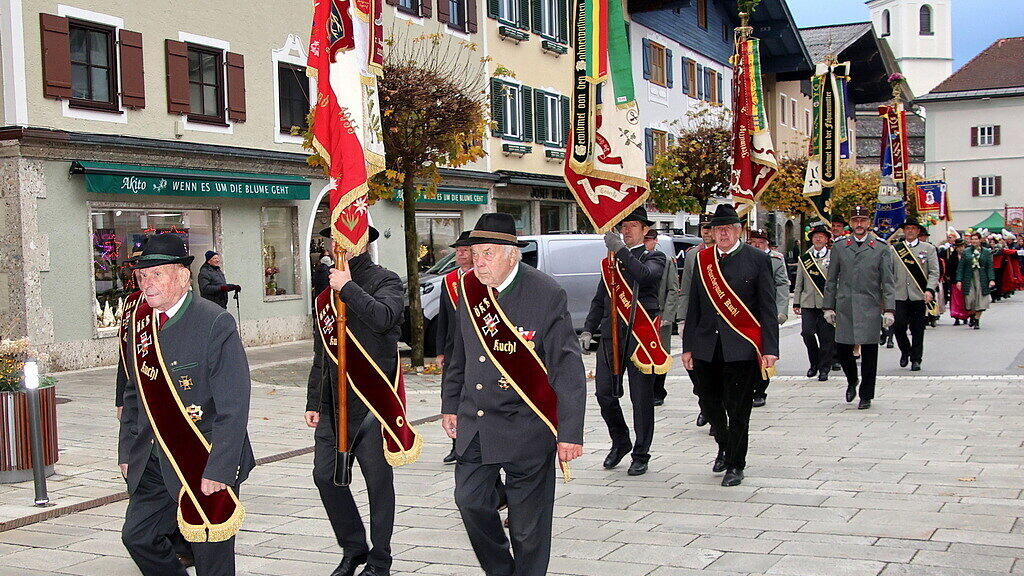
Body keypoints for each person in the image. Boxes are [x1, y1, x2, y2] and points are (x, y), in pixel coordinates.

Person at [441, 213, 585, 576]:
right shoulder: (469, 289)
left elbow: (566, 367)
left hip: (527, 425)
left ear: (512, 254)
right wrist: (449, 406)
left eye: (488, 253)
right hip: (477, 420)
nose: (478, 261)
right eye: (475, 253)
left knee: (527, 528)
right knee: (470, 502)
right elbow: (458, 354)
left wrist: (570, 431)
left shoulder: (546, 293)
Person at [119, 234, 254, 576]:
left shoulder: (214, 322)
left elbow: (233, 404)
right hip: (152, 456)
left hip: (204, 455)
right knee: (138, 537)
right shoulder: (140, 324)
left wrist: (220, 468)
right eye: (141, 276)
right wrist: (125, 450)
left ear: (182, 276)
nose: (147, 284)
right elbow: (134, 395)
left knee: (211, 558)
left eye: (156, 274)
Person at [306, 225, 416, 576]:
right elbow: (322, 353)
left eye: (343, 238)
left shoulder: (386, 279)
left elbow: (384, 319)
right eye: (331, 239)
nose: (335, 245)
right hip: (335, 405)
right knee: (325, 477)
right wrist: (314, 400)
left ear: (362, 242)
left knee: (377, 484)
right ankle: (354, 547)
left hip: (373, 403)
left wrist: (347, 288)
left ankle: (381, 559)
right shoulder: (325, 293)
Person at [681, 204, 778, 487]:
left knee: (738, 408)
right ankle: (724, 444)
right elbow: (694, 305)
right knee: (709, 404)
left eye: (727, 228)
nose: (722, 234)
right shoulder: (702, 260)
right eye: (717, 229)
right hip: (707, 345)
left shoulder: (758, 259)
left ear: (739, 231)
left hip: (742, 347)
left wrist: (770, 349)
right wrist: (688, 346)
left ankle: (736, 463)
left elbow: (767, 308)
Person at [580, 207, 668, 476]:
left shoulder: (655, 257)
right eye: (624, 226)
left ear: (644, 230)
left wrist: (620, 250)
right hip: (610, 335)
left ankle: (641, 453)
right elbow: (600, 300)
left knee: (641, 399)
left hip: (640, 337)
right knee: (604, 394)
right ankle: (620, 441)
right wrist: (587, 330)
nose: (627, 230)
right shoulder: (611, 263)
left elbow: (644, 275)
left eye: (633, 226)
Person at [822, 206, 896, 410]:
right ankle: (852, 379)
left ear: (869, 222)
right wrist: (828, 307)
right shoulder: (840, 246)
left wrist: (889, 309)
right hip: (845, 305)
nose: (859, 224)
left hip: (870, 305)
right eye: (855, 221)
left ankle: (866, 395)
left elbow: (888, 282)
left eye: (863, 220)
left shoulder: (880, 247)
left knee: (870, 352)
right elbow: (831, 280)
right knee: (844, 349)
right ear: (850, 223)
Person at [438, 231, 474, 464]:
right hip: (453, 349)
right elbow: (443, 318)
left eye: (465, 250)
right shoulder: (449, 280)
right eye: (458, 251)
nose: (460, 254)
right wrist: (440, 350)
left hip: (475, 347)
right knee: (451, 396)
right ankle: (455, 444)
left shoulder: (483, 277)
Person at [747, 228, 789, 407]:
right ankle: (748, 386)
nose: (757, 246)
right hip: (746, 311)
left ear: (767, 245)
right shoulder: (743, 257)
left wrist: (781, 311)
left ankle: (761, 389)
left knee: (765, 350)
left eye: (761, 243)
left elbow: (782, 285)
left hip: (766, 311)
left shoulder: (775, 259)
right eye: (754, 243)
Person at [891, 218, 940, 371]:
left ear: (918, 231)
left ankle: (916, 359)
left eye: (913, 228)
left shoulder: (928, 248)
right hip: (899, 294)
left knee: (917, 329)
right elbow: (889, 273)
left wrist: (930, 289)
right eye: (907, 228)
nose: (910, 231)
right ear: (903, 231)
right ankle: (905, 350)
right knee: (898, 326)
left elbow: (934, 272)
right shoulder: (895, 250)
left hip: (919, 295)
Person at [679, 217, 714, 430]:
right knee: (696, 368)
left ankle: (715, 409)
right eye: (704, 228)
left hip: (720, 318)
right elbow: (686, 288)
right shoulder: (693, 254)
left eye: (710, 228)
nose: (707, 232)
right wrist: (682, 320)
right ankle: (705, 403)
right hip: (697, 318)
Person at [792, 225, 836, 381]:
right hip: (808, 302)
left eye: (822, 236)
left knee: (826, 337)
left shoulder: (834, 256)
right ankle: (814, 362)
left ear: (826, 240)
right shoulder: (805, 258)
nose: (818, 239)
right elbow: (799, 282)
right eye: (815, 236)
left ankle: (824, 368)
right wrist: (796, 302)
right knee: (807, 333)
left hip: (827, 304)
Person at [645, 229, 679, 407]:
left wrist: (668, 315)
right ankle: (647, 390)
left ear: (655, 241)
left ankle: (659, 391)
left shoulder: (666, 261)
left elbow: (673, 289)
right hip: (644, 316)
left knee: (661, 353)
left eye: (650, 240)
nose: (647, 243)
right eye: (645, 240)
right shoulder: (637, 259)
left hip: (661, 313)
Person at [956, 231, 996, 329]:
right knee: (970, 299)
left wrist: (991, 279)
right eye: (972, 239)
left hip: (981, 277)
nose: (974, 241)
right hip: (969, 277)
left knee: (980, 299)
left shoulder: (986, 252)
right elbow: (961, 267)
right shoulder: (966, 252)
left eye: (976, 239)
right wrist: (959, 280)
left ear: (980, 240)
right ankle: (972, 315)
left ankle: (977, 320)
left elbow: (990, 267)